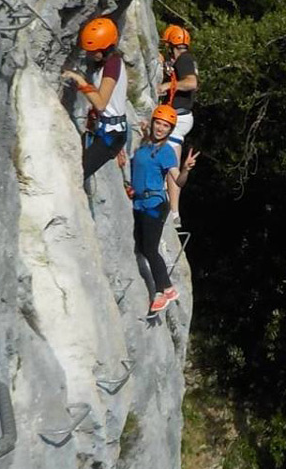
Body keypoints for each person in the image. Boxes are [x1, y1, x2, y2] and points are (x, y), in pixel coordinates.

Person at [128, 105, 196, 314]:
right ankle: (161, 290)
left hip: (155, 205)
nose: (160, 128)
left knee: (150, 248)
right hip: (139, 203)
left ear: (170, 129)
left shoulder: (166, 152)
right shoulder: (145, 144)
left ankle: (165, 289)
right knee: (141, 246)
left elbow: (178, 181)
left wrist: (185, 169)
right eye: (158, 123)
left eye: (165, 126)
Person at [61, 18, 130, 181]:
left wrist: (79, 80)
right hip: (108, 129)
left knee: (77, 175)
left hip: (111, 135)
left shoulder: (112, 64)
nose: (90, 55)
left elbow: (101, 103)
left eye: (94, 51)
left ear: (106, 48)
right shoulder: (108, 63)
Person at [158, 25, 199, 159]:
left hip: (178, 116)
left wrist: (167, 85)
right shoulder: (186, 60)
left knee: (169, 162)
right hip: (180, 115)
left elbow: (191, 83)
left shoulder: (184, 59)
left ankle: (173, 180)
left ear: (172, 46)